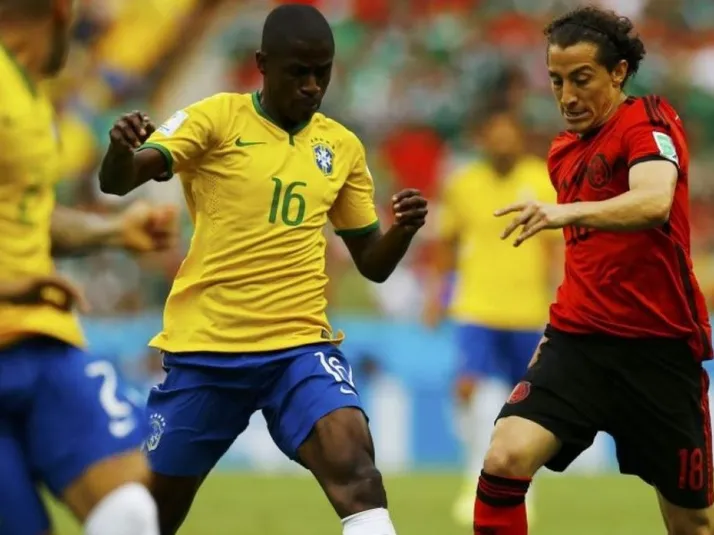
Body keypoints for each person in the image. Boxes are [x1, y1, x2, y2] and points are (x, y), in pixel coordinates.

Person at [98, 4, 428, 535]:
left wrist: (403, 231)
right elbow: (119, 182)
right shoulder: (216, 118)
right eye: (298, 72)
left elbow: (373, 265)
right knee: (148, 514)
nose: (312, 86)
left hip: (298, 348)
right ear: (262, 64)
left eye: (322, 72)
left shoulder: (341, 147)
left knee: (357, 470)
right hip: (208, 349)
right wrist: (119, 150)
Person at [472, 6, 714, 535]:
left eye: (581, 79)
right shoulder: (564, 151)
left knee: (692, 523)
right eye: (556, 81)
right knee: (505, 457)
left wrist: (566, 212)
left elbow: (653, 201)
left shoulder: (648, 122)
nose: (567, 96)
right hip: (579, 343)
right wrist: (551, 335)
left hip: (659, 350)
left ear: (618, 72)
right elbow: (588, 257)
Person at [0, 1, 179, 534]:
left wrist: (113, 231)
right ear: (62, 11)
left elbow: (30, 216)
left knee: (130, 511)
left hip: (39, 340)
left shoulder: (27, 92)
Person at [424, 110, 559, 527]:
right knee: (467, 390)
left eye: (508, 135)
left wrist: (561, 299)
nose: (502, 143)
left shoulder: (541, 180)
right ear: (483, 139)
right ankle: (474, 477)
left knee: (530, 405)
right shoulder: (463, 182)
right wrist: (436, 294)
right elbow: (447, 242)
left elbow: (555, 248)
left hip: (528, 311)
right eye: (494, 136)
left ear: (519, 138)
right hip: (476, 307)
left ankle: (522, 487)